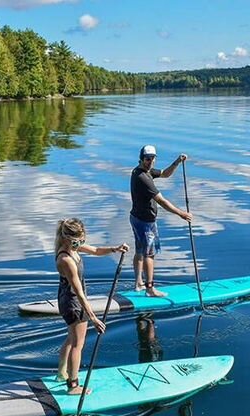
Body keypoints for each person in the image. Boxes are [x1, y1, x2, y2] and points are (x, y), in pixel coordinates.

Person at [55, 218, 129, 395]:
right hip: (73, 303)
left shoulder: (73, 247)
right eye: (78, 240)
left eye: (82, 239)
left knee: (71, 338)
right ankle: (73, 386)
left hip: (68, 299)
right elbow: (79, 292)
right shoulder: (66, 259)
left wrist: (114, 249)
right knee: (77, 344)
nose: (81, 243)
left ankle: (61, 373)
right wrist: (94, 318)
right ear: (67, 238)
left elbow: (95, 250)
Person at [130, 144, 193, 297]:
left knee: (140, 251)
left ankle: (139, 283)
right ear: (141, 159)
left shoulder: (144, 171)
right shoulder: (143, 177)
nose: (150, 161)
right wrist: (181, 214)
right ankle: (150, 289)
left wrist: (177, 162)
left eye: (152, 158)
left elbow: (165, 174)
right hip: (145, 222)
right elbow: (162, 201)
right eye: (147, 159)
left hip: (136, 218)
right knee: (149, 254)